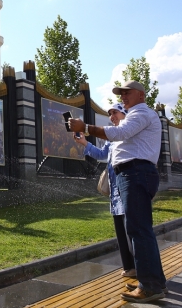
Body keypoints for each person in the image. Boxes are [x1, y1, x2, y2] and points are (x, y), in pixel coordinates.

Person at [69, 80, 166, 303]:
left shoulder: (141, 113)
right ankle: (155, 282)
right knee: (139, 229)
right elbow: (109, 149)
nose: (123, 96)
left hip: (136, 173)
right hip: (132, 174)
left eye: (127, 93)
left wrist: (84, 127)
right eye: (120, 93)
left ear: (141, 95)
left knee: (138, 229)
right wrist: (86, 141)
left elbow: (120, 133)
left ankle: (150, 286)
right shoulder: (136, 114)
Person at [73, 102, 135, 277]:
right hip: (115, 194)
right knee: (120, 231)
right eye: (110, 113)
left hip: (127, 190)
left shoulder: (129, 133)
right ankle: (129, 267)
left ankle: (141, 267)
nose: (112, 116)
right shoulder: (113, 138)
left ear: (124, 114)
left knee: (132, 231)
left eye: (115, 112)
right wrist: (85, 143)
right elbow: (102, 154)